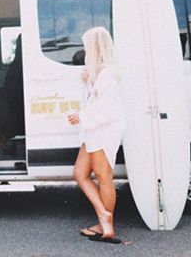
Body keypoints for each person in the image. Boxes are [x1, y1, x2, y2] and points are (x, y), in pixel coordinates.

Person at [68, 26, 126, 244]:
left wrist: (81, 117)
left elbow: (106, 109)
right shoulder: (100, 72)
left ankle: (106, 226)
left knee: (103, 177)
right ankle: (103, 215)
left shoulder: (107, 73)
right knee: (80, 173)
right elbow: (97, 100)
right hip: (95, 130)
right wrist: (89, 83)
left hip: (103, 129)